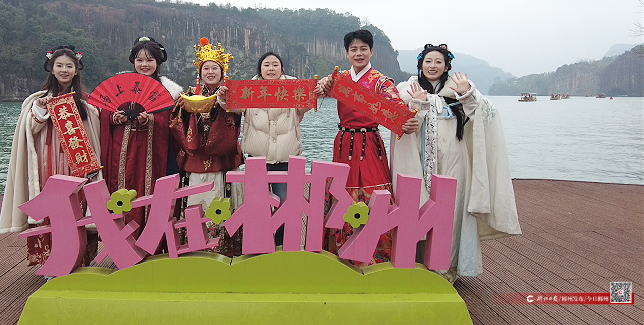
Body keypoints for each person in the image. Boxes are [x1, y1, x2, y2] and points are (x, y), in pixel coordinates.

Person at [390, 43, 521, 283]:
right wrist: (417, 105)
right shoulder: (407, 90)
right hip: (420, 162)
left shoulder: (459, 89)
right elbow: (401, 123)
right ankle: (417, 264)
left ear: (446, 66)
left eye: (438, 62)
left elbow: (485, 113)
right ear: (420, 65)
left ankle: (446, 268)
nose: (432, 66)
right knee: (419, 209)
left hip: (455, 161)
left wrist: (468, 94)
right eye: (428, 61)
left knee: (452, 212)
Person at [315, 29, 419, 266]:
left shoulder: (381, 82)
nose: (358, 53)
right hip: (344, 142)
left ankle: (376, 258)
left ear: (372, 52)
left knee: (376, 194)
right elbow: (319, 89)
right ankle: (341, 255)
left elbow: (395, 107)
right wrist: (321, 86)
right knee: (341, 193)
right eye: (353, 49)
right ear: (347, 53)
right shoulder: (339, 79)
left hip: (370, 143)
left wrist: (408, 122)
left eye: (363, 49)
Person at [0, 45, 100, 268]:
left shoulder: (86, 102)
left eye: (69, 66)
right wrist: (42, 109)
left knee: (76, 205)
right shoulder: (38, 99)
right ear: (51, 68)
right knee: (51, 206)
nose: (64, 70)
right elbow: (30, 130)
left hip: (76, 162)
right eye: (59, 65)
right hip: (48, 161)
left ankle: (78, 258)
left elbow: (95, 131)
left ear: (76, 70)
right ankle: (51, 261)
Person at [221, 52, 311, 247]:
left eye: (275, 65)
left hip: (285, 159)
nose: (271, 69)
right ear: (260, 69)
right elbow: (233, 107)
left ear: (282, 68)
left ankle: (281, 246)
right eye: (266, 65)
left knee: (285, 204)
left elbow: (304, 106)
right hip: (257, 158)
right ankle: (260, 247)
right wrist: (223, 97)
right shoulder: (249, 89)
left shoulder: (293, 88)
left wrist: (314, 93)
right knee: (257, 206)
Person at [100, 37, 183, 238]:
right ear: (133, 61)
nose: (144, 65)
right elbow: (104, 113)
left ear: (158, 62)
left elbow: (172, 123)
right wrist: (115, 118)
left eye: (150, 60)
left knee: (151, 192)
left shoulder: (169, 92)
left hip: (152, 152)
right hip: (122, 150)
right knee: (120, 188)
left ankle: (150, 240)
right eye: (140, 60)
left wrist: (152, 120)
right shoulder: (120, 86)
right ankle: (121, 240)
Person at [170, 38, 244, 256]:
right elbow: (176, 124)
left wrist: (224, 104)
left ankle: (224, 250)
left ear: (222, 72)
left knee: (223, 204)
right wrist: (183, 111)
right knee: (196, 204)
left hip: (223, 159)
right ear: (200, 72)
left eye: (215, 68)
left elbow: (238, 119)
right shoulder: (189, 94)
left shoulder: (230, 94)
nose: (210, 72)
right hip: (196, 160)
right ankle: (195, 248)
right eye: (206, 68)